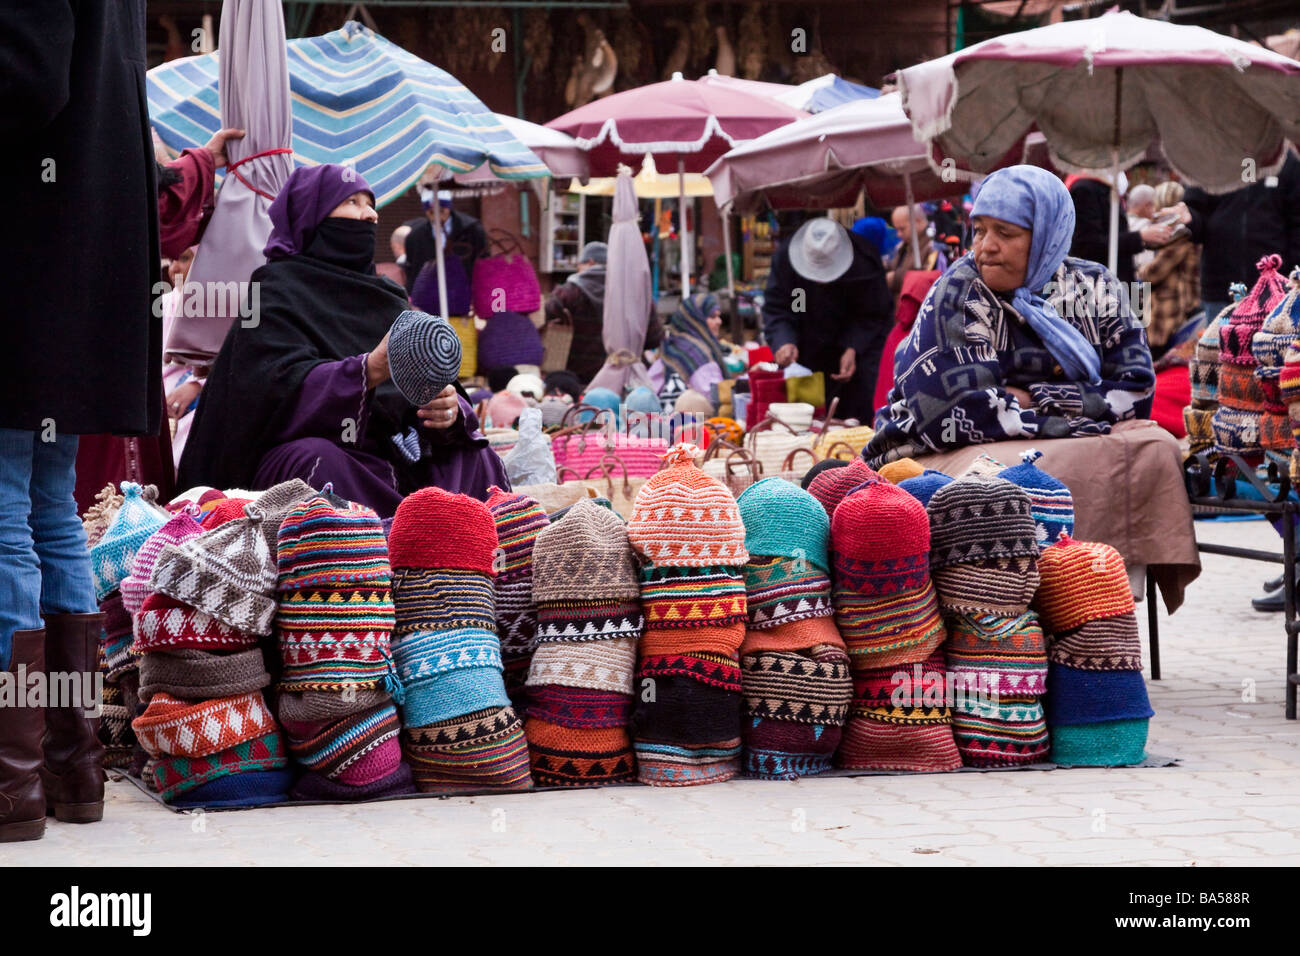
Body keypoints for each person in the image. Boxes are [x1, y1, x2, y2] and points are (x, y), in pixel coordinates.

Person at [1, 0, 159, 841]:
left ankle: (9, 782)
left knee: (4, 519)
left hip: (28, 260)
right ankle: (71, 770)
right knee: (51, 515)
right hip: (84, 264)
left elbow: (24, 75)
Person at [178, 165, 506, 518]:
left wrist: (448, 410)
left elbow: (421, 393)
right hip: (314, 455)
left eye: (370, 203)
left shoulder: (388, 296)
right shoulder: (274, 293)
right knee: (317, 459)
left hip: (391, 455)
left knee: (474, 455)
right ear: (311, 217)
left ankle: (475, 546)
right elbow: (268, 392)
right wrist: (366, 371)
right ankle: (371, 553)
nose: (369, 213)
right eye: (352, 202)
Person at [865, 165, 1155, 469]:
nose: (985, 247)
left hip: (1056, 443)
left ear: (1048, 234)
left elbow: (1137, 393)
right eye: (978, 231)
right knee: (1026, 467)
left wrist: (1031, 398)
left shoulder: (1096, 285)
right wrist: (1088, 410)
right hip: (933, 452)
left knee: (1155, 449)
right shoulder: (960, 291)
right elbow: (954, 416)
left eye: (1005, 233)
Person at [762, 217, 895, 421]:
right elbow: (777, 308)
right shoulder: (785, 259)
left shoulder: (864, 259)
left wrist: (853, 347)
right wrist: (784, 340)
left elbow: (874, 313)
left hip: (856, 355)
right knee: (805, 419)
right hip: (806, 351)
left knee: (859, 413)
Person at [1171, 150, 1300, 322]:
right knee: (1216, 348)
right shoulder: (1211, 161)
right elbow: (1196, 215)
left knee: (1269, 348)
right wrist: (1188, 219)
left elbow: (1297, 226)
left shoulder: (1286, 161)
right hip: (1221, 290)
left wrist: (1292, 281)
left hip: (1275, 292)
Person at [1068, 171, 1171, 283]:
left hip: (1117, 282)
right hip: (1099, 285)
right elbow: (1087, 244)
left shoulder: (1107, 188)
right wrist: (1140, 237)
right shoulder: (1085, 189)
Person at [1138, 181, 1201, 360]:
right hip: (1174, 308)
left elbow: (1153, 273)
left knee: (1161, 364)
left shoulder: (1179, 236)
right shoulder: (1182, 233)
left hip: (1169, 312)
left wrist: (1140, 269)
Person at [647, 293, 729, 414]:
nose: (719, 321)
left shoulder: (671, 346)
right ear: (696, 320)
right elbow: (716, 397)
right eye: (712, 317)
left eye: (719, 316)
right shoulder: (697, 355)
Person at [403, 188, 488, 296]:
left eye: (441, 210)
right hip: (428, 297)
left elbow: (482, 262)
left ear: (448, 208)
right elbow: (412, 270)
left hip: (466, 293)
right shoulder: (415, 237)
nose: (437, 215)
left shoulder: (472, 230)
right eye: (432, 212)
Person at [885, 205, 948, 297]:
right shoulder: (904, 246)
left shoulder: (933, 248)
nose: (898, 234)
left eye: (902, 229)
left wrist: (895, 278)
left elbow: (929, 281)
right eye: (897, 229)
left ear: (918, 221)